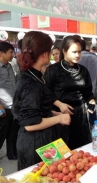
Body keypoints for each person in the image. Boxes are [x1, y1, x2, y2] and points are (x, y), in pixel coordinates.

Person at [12, 31, 71, 170]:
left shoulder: (34, 75)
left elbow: (34, 107)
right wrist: (59, 119)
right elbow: (30, 124)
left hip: (44, 139)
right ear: (44, 54)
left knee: (53, 174)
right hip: (35, 144)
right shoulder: (30, 83)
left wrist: (52, 113)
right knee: (40, 176)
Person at [44, 35, 95, 150]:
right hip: (60, 115)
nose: (77, 55)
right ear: (64, 51)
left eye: (79, 52)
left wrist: (91, 101)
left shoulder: (83, 70)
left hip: (80, 116)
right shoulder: (53, 70)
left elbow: (88, 92)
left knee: (82, 151)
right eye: (74, 52)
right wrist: (59, 104)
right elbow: (45, 92)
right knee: (63, 154)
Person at [78, 40, 97, 126]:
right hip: (91, 85)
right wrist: (96, 75)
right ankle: (93, 124)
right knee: (91, 105)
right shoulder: (94, 57)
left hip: (79, 85)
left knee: (79, 107)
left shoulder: (77, 57)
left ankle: (82, 124)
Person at [0, 42, 19, 160]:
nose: (13, 54)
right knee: (1, 132)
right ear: (2, 53)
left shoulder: (10, 66)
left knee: (13, 132)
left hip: (13, 105)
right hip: (3, 107)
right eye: (11, 52)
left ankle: (12, 154)